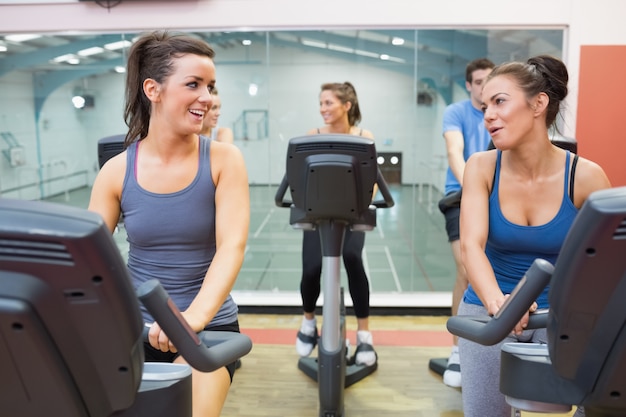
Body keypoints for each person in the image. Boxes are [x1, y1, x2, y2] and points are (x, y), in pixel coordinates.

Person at [88, 30, 250, 417]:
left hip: (206, 327)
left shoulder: (224, 161)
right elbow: (87, 261)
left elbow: (232, 247)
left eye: (210, 86)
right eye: (193, 84)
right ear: (153, 89)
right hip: (135, 329)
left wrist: (192, 319)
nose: (207, 98)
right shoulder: (115, 172)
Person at [458, 55, 611, 417]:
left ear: (538, 103)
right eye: (484, 106)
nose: (488, 115)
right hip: (489, 308)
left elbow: (610, 264)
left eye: (499, 101)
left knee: (599, 407)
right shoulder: (481, 167)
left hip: (562, 315)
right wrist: (500, 304)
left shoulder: (585, 177)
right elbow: (471, 247)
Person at [296, 81, 377, 367]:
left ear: (347, 105)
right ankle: (308, 323)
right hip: (318, 215)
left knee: (354, 259)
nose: (323, 109)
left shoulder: (363, 136)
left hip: (352, 215)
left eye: (328, 103)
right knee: (312, 268)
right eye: (321, 103)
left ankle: (365, 334)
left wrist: (366, 203)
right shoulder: (312, 136)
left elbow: (373, 181)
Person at [439, 57, 495, 388]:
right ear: (469, 85)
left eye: (490, 81)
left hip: (500, 196)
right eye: (478, 82)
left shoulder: (503, 111)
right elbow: (454, 151)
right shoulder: (456, 112)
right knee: (466, 268)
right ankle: (458, 349)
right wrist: (476, 188)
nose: (484, 87)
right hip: (459, 195)